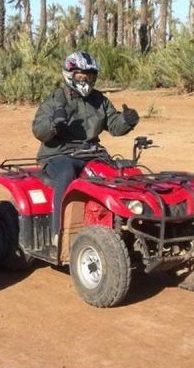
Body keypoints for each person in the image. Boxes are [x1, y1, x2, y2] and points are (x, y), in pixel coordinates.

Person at [32, 51, 139, 245]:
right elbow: (39, 130)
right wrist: (54, 123)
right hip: (59, 154)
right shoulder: (56, 99)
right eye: (82, 75)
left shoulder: (99, 100)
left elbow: (114, 125)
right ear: (70, 75)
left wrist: (127, 120)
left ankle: (129, 223)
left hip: (92, 153)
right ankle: (59, 232)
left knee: (122, 173)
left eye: (90, 76)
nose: (86, 79)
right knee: (65, 174)